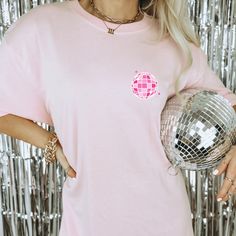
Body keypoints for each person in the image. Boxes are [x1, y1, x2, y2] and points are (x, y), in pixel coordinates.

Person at [0, 0, 236, 235]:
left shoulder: (173, 42)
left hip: (164, 221)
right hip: (86, 222)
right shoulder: (44, 28)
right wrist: (50, 142)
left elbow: (228, 105)